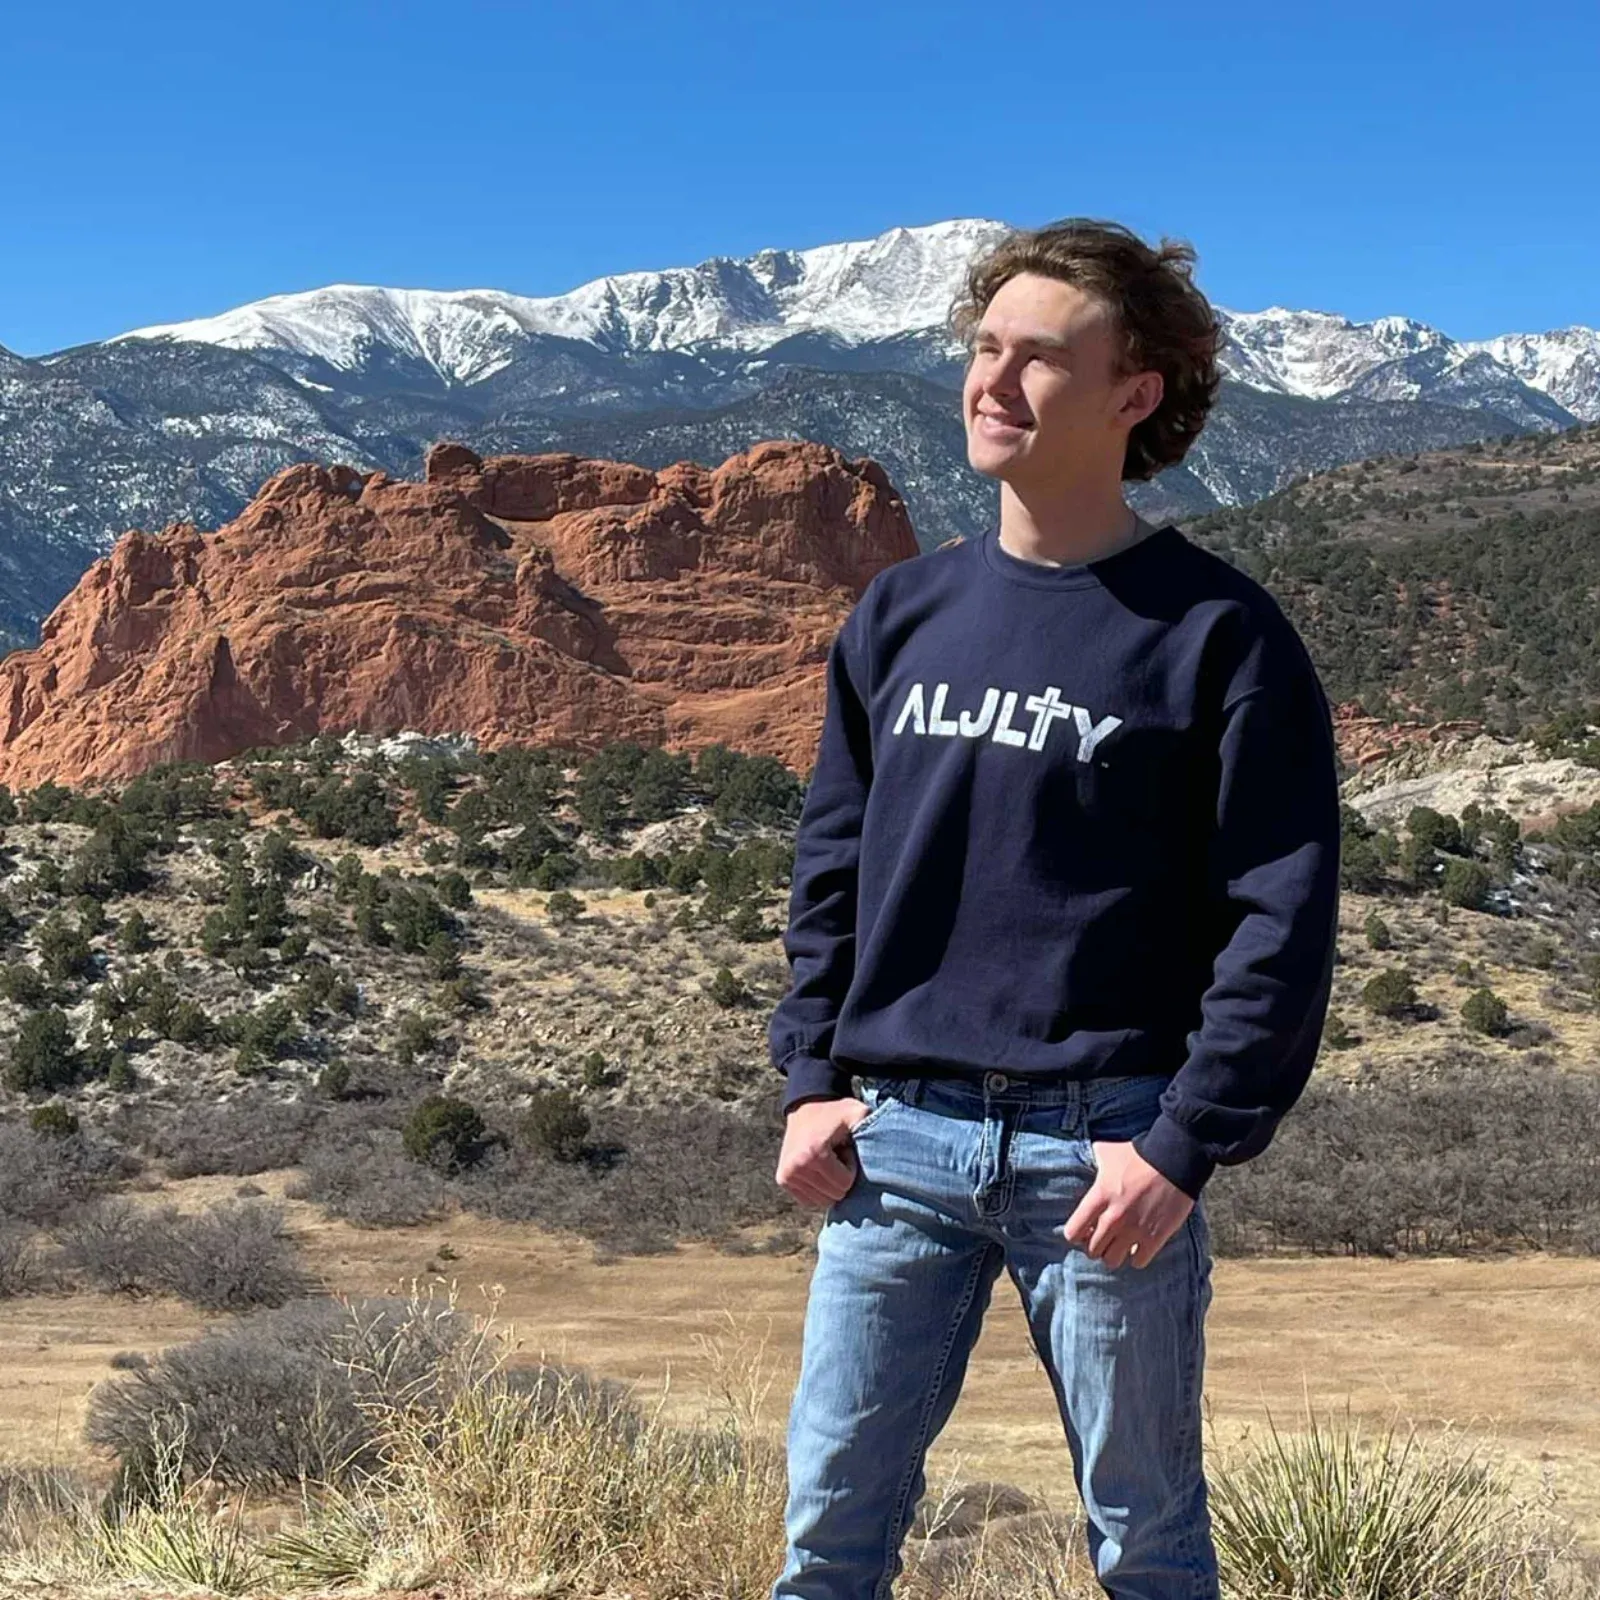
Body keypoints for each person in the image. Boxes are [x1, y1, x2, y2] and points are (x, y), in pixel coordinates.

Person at [765, 217, 1343, 1600]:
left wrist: (1184, 1144)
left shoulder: (1216, 636)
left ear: (1133, 394)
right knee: (827, 1541)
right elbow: (832, 863)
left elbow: (1282, 916)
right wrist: (809, 1077)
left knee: (1147, 1548)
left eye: (1039, 359)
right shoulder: (902, 616)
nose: (993, 382)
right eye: (983, 350)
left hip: (1106, 1161)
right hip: (891, 1146)